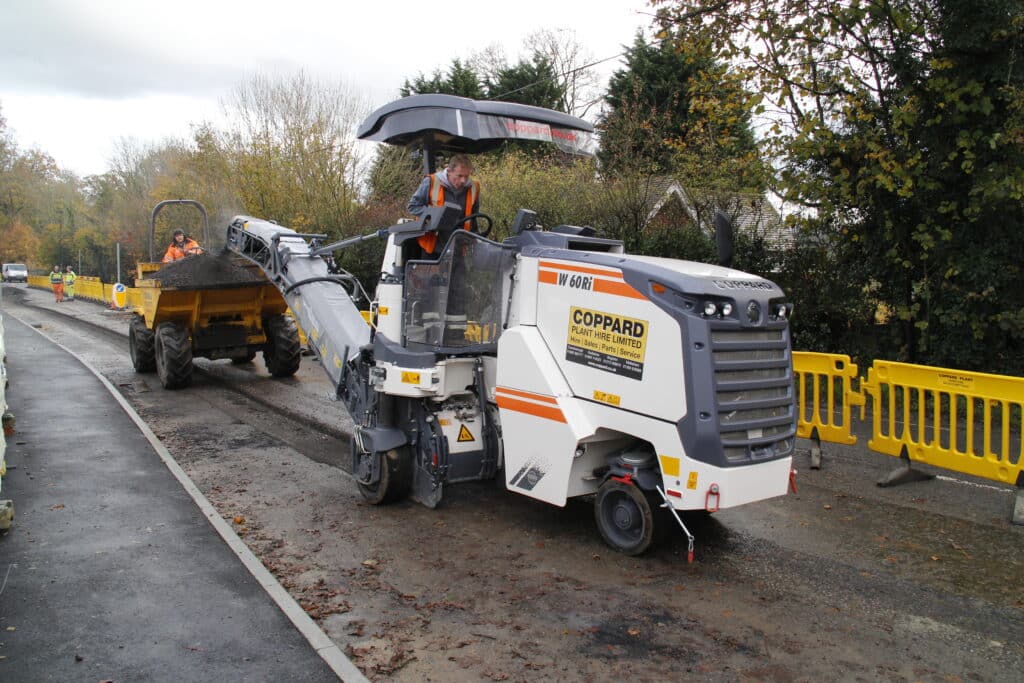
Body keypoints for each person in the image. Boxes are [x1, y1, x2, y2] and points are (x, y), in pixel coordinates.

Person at [406, 154, 480, 255]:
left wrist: (476, 238)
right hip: (433, 248)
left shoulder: (473, 188)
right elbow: (413, 206)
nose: (463, 180)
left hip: (458, 249)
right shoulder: (431, 182)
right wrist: (436, 215)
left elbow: (474, 217)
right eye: (459, 176)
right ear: (449, 171)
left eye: (466, 176)